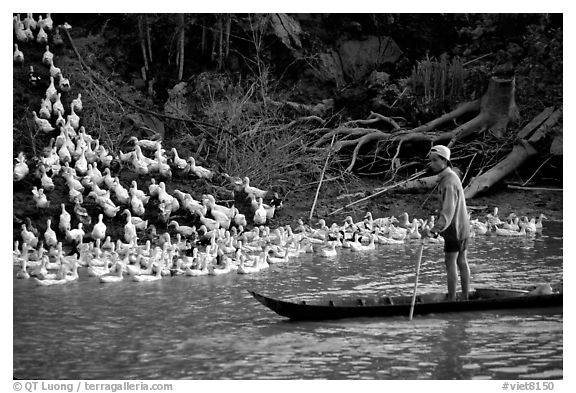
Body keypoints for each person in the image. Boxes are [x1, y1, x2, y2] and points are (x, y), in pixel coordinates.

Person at [428, 145, 471, 301]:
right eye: (430, 161)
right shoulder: (449, 177)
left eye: (434, 160)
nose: (431, 164)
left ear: (444, 161)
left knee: (451, 261)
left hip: (454, 229)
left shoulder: (448, 182)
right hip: (463, 227)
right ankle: (465, 298)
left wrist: (434, 229)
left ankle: (452, 299)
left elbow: (448, 211)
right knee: (461, 261)